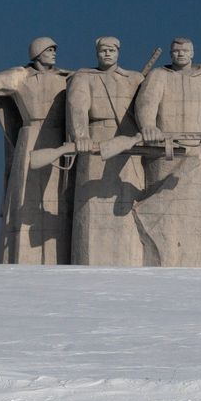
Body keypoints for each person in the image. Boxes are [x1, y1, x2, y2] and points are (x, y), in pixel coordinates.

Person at [0, 38, 73, 263]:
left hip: (59, 140)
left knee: (57, 196)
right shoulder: (21, 76)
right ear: (37, 53)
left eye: (54, 50)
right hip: (30, 137)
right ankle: (24, 256)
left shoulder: (68, 78)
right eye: (49, 50)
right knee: (25, 194)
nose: (53, 54)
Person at [134, 37, 201, 267]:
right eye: (176, 51)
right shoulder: (158, 76)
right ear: (170, 53)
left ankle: (194, 265)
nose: (180, 54)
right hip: (164, 154)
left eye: (185, 50)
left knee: (196, 219)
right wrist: (148, 125)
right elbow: (145, 103)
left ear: (192, 53)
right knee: (159, 215)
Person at [66, 37, 146, 265]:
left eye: (111, 50)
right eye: (103, 50)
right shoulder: (84, 77)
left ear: (119, 52)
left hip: (128, 145)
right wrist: (81, 134)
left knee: (126, 205)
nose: (107, 54)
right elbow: (77, 107)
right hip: (96, 141)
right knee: (92, 208)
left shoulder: (134, 78)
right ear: (97, 53)